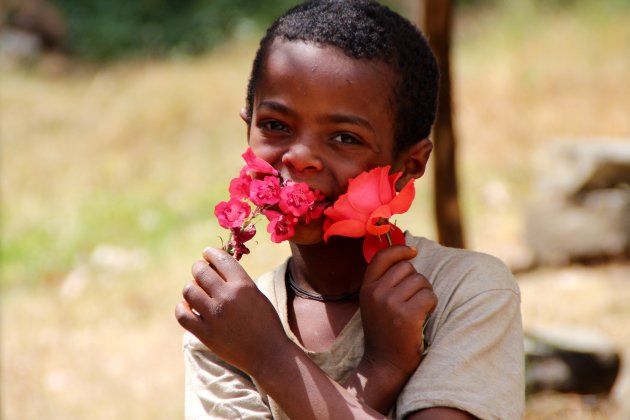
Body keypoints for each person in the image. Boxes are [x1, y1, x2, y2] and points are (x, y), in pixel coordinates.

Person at [175, 0, 525, 419]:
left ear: (407, 166)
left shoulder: (463, 293)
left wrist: (271, 358)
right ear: (247, 127)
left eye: (344, 138)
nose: (301, 157)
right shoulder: (228, 325)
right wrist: (380, 371)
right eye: (276, 126)